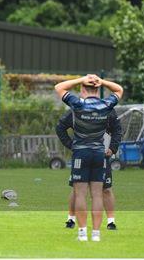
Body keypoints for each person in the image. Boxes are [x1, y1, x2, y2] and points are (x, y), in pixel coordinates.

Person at [54, 74, 123, 242]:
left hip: (81, 153)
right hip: (99, 153)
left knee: (80, 194)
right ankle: (96, 234)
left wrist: (80, 79)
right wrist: (103, 81)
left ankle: (83, 233)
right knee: (97, 195)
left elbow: (59, 87)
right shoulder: (106, 105)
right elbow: (119, 89)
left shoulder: (77, 104)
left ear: (82, 89)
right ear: (98, 90)